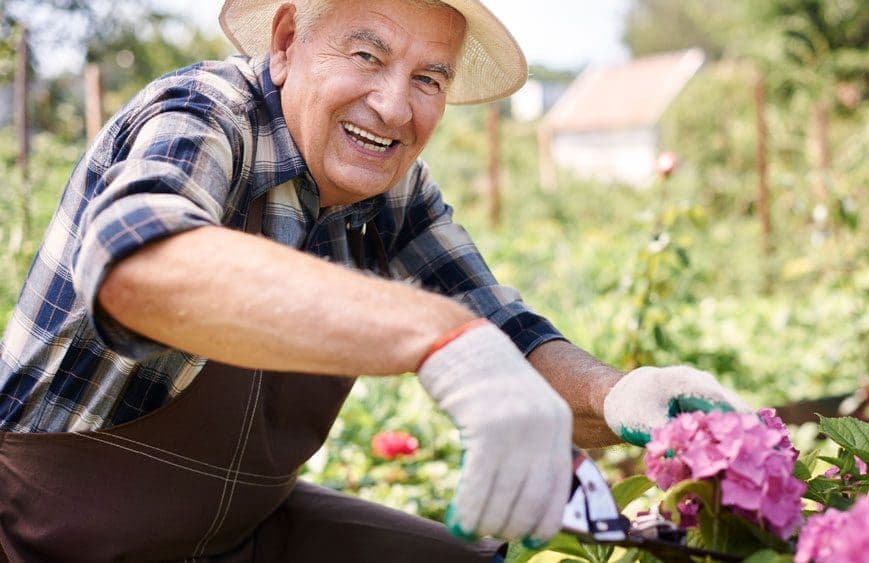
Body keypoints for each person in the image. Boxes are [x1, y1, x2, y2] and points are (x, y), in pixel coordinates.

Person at [0, 0, 751, 561]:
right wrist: (434, 336)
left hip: (239, 529)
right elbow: (141, 269)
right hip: (50, 537)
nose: (394, 106)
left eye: (429, 77)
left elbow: (503, 329)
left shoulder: (393, 193)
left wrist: (618, 395)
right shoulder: (203, 114)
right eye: (366, 55)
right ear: (289, 41)